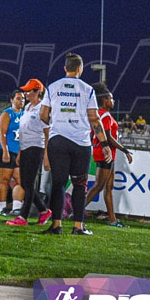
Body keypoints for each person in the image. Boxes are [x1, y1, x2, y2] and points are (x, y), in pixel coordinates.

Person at [40, 53, 111, 235]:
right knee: (80, 184)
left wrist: (56, 120)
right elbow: (94, 119)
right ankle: (78, 226)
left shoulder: (53, 87)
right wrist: (104, 144)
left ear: (65, 68)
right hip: (80, 142)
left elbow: (43, 115)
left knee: (58, 184)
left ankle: (56, 225)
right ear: (80, 69)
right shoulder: (88, 90)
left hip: (58, 140)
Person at [85, 83, 133, 227]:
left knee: (108, 187)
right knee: (99, 186)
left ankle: (112, 220)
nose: (113, 101)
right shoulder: (104, 115)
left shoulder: (103, 114)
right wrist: (125, 150)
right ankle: (76, 211)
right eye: (111, 99)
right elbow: (108, 137)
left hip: (108, 154)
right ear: (105, 100)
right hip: (104, 153)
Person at [6, 80, 52, 226]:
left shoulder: (42, 109)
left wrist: (46, 155)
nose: (25, 93)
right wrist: (20, 151)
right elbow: (24, 131)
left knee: (29, 183)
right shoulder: (27, 107)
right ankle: (44, 211)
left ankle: (23, 217)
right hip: (25, 148)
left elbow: (47, 134)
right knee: (26, 183)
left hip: (35, 148)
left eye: (29, 91)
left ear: (37, 91)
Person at [0, 89, 24, 216]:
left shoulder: (24, 114)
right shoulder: (7, 114)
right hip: (2, 150)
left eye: (23, 99)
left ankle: (16, 207)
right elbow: (2, 133)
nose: (21, 101)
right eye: (18, 98)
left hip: (17, 151)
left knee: (21, 180)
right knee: (4, 179)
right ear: (11, 100)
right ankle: (2, 208)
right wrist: (5, 151)